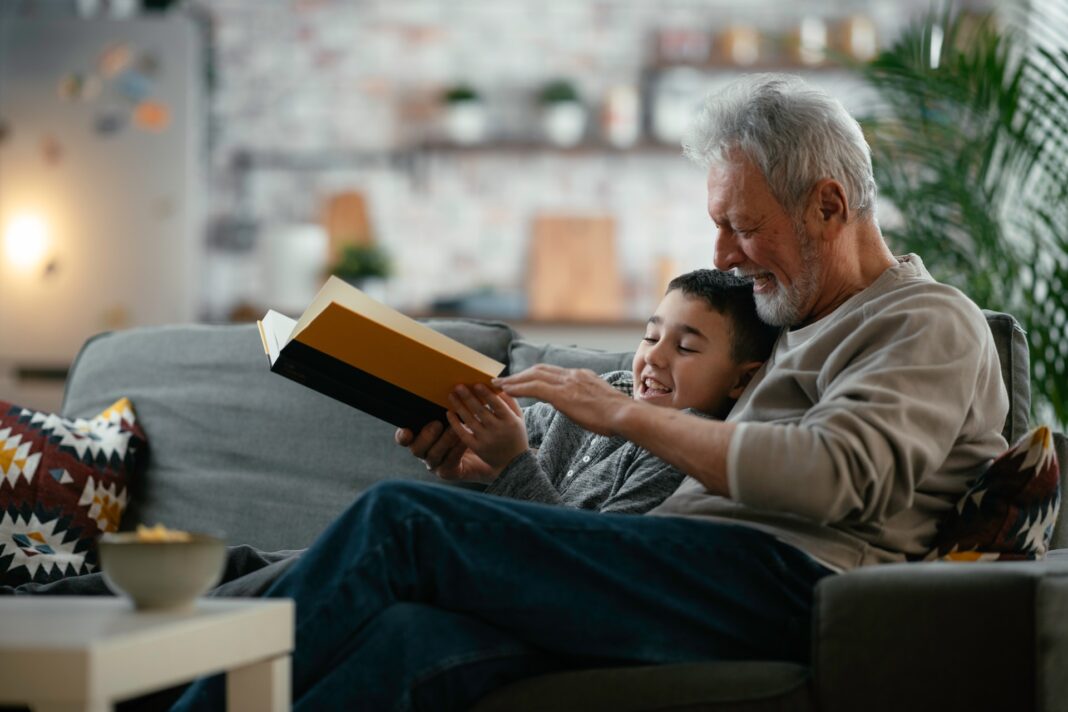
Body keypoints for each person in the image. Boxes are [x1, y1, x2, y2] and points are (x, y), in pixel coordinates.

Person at [181, 72, 1009, 710]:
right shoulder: (791, 320)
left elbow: (837, 474)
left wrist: (618, 413)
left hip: (779, 581)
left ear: (829, 206)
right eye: (719, 224)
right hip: (690, 568)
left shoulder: (928, 322)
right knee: (409, 642)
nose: (723, 252)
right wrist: (490, 466)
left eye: (744, 224)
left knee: (400, 523)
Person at [412, 268, 777, 515]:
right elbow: (517, 429)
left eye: (685, 348)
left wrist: (511, 464)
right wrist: (482, 457)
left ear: (741, 382)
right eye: (651, 336)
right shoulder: (608, 388)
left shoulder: (683, 454)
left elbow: (593, 561)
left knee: (398, 509)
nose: (654, 355)